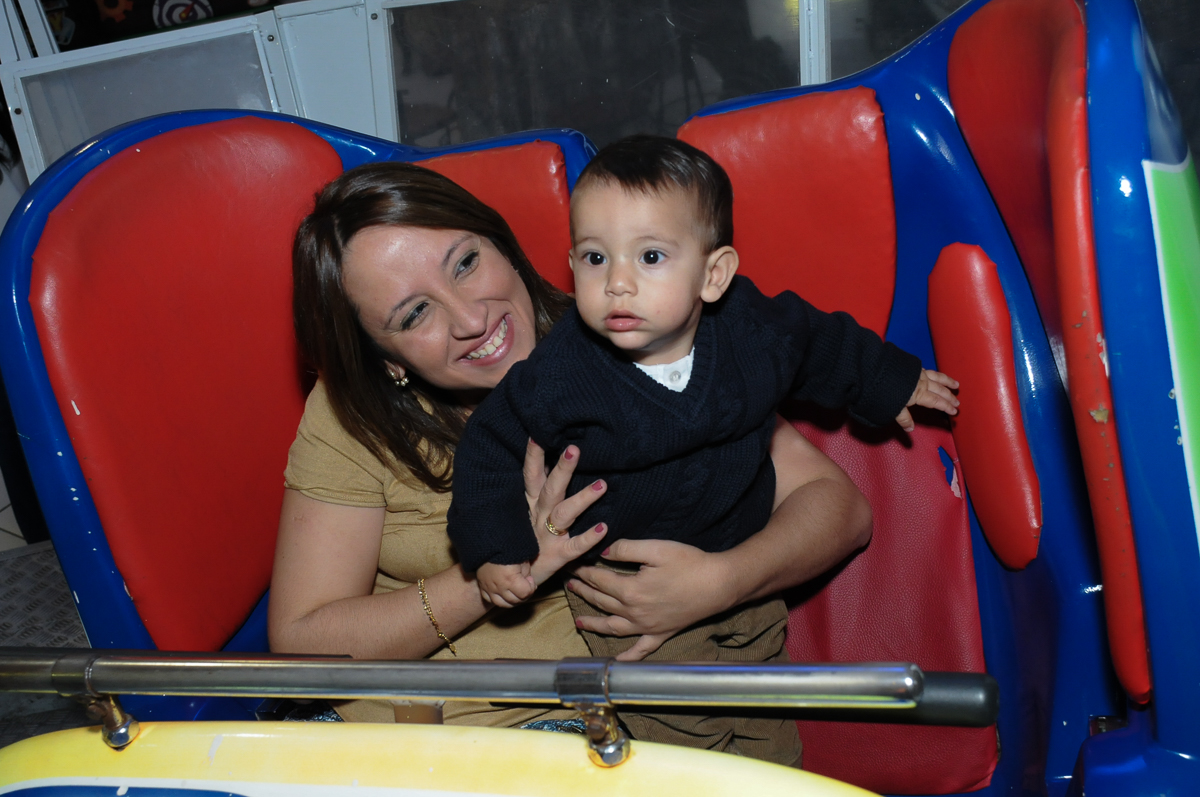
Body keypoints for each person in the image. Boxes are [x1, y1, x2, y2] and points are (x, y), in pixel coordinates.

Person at [268, 159, 875, 756]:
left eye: (467, 263)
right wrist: (496, 574)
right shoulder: (352, 415)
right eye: (415, 314)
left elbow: (840, 509)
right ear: (385, 360)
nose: (472, 319)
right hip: (375, 735)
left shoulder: (629, 333)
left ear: (502, 243)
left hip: (575, 730)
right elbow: (300, 649)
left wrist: (721, 581)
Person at [445, 135, 959, 760]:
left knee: (768, 722)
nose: (618, 284)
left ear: (713, 275)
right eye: (594, 258)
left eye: (651, 256)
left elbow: (819, 343)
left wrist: (889, 382)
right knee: (695, 747)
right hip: (634, 602)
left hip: (748, 578)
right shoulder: (560, 374)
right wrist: (496, 550)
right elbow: (488, 450)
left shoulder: (752, 331)